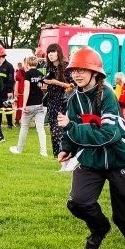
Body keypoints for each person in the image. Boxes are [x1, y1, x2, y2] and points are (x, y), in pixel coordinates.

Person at [57, 46, 125, 249]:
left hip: (120, 157)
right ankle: (99, 228)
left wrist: (72, 127)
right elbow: (70, 128)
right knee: (78, 202)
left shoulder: (108, 94)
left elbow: (108, 135)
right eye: (74, 70)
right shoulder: (73, 98)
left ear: (95, 72)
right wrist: (66, 147)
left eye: (82, 70)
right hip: (92, 157)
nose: (77, 74)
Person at [44, 43, 76, 171]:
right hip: (52, 104)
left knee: (60, 133)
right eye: (49, 52)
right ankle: (63, 163)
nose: (50, 55)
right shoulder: (49, 68)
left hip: (64, 104)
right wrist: (44, 85)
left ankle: (67, 161)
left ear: (59, 53)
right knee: (54, 133)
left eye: (53, 52)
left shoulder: (66, 67)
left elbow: (73, 86)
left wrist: (56, 82)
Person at [10, 56, 47, 156]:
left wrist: (24, 105)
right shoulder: (41, 74)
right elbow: (44, 87)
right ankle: (43, 152)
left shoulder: (27, 74)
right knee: (40, 128)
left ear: (27, 63)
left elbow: (27, 90)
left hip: (30, 104)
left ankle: (19, 149)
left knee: (24, 127)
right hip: (41, 103)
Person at [0, 45, 15, 129]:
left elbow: (11, 79)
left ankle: (9, 124)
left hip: (6, 89)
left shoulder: (9, 66)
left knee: (8, 107)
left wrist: (10, 91)